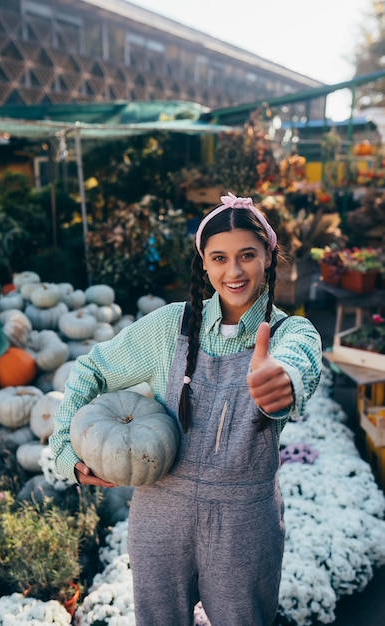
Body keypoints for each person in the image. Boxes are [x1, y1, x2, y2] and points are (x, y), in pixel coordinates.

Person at [49, 191, 322, 626]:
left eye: (247, 255)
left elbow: (299, 364)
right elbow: (91, 369)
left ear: (268, 257)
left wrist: (281, 382)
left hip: (245, 521)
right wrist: (65, 447)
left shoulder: (293, 333)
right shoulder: (169, 326)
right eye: (219, 258)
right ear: (205, 263)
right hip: (160, 513)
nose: (233, 271)